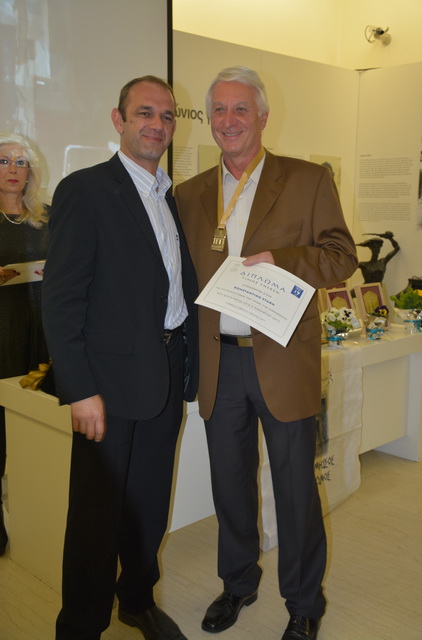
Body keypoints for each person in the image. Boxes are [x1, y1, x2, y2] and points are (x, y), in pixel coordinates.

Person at [174, 66, 358, 640]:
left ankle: (303, 603)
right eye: (219, 110)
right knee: (229, 485)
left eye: (240, 109)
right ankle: (238, 583)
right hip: (219, 362)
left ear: (262, 116)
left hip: (283, 358)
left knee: (296, 489)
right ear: (209, 119)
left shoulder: (307, 180)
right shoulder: (189, 194)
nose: (228, 120)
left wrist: (284, 261)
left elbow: (341, 256)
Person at [42, 76, 198, 640]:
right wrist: (80, 389)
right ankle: (81, 625)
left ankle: (136, 600)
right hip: (106, 387)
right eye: (145, 113)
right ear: (119, 120)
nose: (157, 125)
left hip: (165, 371)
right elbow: (61, 300)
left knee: (149, 503)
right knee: (95, 514)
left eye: (167, 116)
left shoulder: (169, 196)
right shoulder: (85, 190)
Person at [0, 132, 50, 556]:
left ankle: (39, 515)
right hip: (3, 331)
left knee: (39, 420)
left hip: (43, 331)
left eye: (20, 161)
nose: (13, 169)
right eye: (4, 161)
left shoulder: (47, 217)